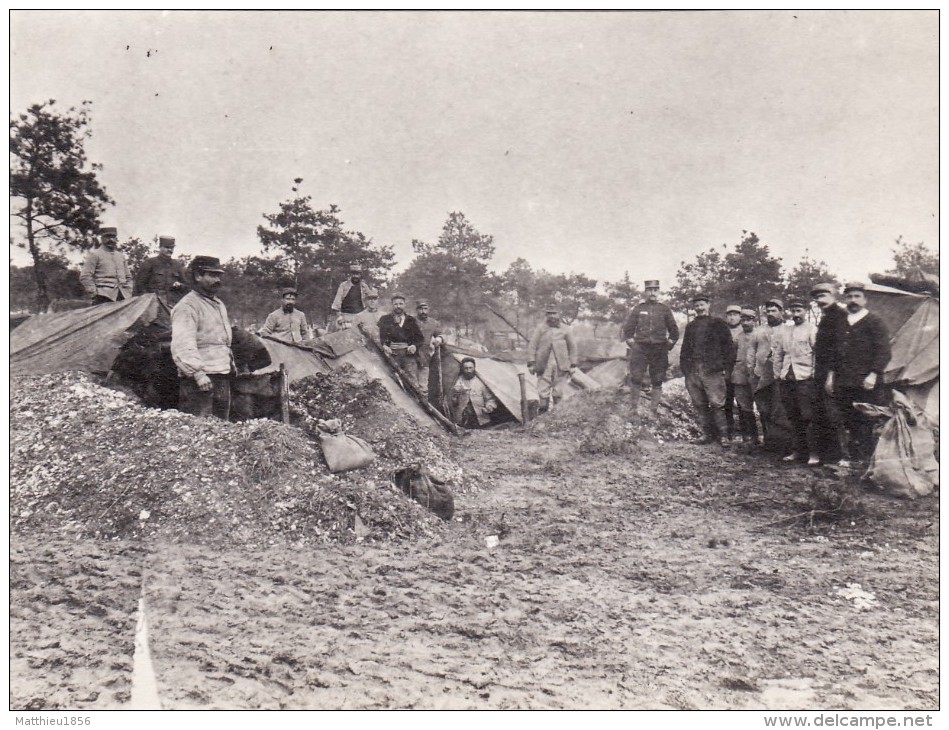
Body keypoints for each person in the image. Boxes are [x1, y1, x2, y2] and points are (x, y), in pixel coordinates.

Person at [827, 282, 891, 465]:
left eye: (857, 296)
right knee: (846, 418)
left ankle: (865, 459)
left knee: (866, 420)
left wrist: (874, 374)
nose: (853, 300)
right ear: (845, 299)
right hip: (843, 381)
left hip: (866, 381)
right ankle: (848, 456)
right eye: (849, 296)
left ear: (865, 300)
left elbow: (884, 351)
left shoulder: (874, 321)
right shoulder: (841, 322)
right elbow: (834, 351)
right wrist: (831, 376)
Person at [170, 256, 234, 420]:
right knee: (198, 431)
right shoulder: (187, 306)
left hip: (221, 374)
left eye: (218, 275)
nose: (217, 280)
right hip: (200, 380)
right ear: (198, 276)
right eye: (212, 275)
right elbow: (182, 345)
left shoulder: (218, 304)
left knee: (223, 430)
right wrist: (198, 374)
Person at [679, 294, 735, 447]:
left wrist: (726, 369)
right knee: (700, 404)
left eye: (702, 304)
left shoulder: (718, 324)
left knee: (717, 403)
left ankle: (724, 436)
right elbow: (684, 350)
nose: (699, 308)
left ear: (708, 305)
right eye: (696, 305)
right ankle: (707, 434)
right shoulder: (690, 326)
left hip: (712, 370)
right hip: (694, 370)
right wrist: (686, 370)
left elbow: (729, 349)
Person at [621, 279, 679, 419]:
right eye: (649, 290)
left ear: (658, 292)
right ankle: (633, 409)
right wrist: (634, 345)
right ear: (645, 292)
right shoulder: (639, 308)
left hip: (659, 349)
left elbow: (674, 331)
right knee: (636, 377)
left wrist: (667, 346)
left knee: (657, 379)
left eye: (655, 290)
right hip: (641, 348)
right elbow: (628, 329)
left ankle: (653, 410)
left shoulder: (664, 309)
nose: (652, 293)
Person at [772, 297, 819, 465]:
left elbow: (816, 355)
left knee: (808, 417)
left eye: (799, 310)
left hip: (804, 379)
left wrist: (812, 375)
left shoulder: (812, 330)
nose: (795, 314)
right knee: (792, 417)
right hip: (787, 379)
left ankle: (813, 453)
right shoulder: (785, 330)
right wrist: (778, 374)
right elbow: (778, 354)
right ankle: (796, 451)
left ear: (806, 311)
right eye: (793, 311)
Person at [811, 281, 848, 465]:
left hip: (834, 374)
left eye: (823, 296)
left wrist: (831, 376)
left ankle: (843, 456)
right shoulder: (826, 318)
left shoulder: (840, 316)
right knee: (823, 414)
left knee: (835, 414)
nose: (820, 300)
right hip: (822, 372)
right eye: (817, 297)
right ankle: (830, 455)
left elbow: (839, 349)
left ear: (834, 295)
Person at [749, 298, 787, 445]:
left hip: (780, 376)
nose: (770, 313)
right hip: (761, 375)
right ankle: (768, 440)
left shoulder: (787, 329)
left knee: (780, 409)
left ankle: (783, 442)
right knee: (763, 408)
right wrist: (752, 370)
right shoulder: (759, 331)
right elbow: (751, 352)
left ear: (781, 312)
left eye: (774, 310)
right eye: (768, 311)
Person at [527, 305, 578, 412]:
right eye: (549, 314)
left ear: (559, 314)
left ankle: (556, 416)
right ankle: (543, 417)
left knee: (558, 390)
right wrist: (531, 363)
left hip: (561, 364)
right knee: (543, 389)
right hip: (544, 364)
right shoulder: (540, 328)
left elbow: (572, 347)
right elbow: (532, 345)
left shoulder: (566, 329)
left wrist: (573, 364)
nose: (552, 316)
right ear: (546, 315)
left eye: (554, 313)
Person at [377, 293, 425, 387]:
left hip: (408, 355)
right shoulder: (385, 319)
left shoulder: (411, 320)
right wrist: (385, 346)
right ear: (392, 305)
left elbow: (420, 338)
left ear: (404, 305)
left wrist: (414, 346)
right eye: (395, 304)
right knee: (391, 382)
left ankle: (414, 401)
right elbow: (381, 337)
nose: (398, 306)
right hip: (391, 355)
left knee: (412, 382)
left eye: (400, 303)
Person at [79, 226, 132, 305]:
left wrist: (129, 289)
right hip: (103, 296)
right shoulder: (95, 255)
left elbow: (128, 277)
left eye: (113, 237)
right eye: (107, 237)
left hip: (123, 296)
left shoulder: (120, 256)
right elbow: (85, 276)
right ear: (102, 238)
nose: (111, 240)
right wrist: (94, 293)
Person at [132, 235, 188, 304]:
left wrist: (180, 285)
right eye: (167, 247)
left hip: (172, 304)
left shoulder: (177, 265)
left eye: (172, 248)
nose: (170, 250)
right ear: (160, 247)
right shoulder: (150, 263)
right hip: (153, 304)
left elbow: (187, 286)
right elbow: (139, 286)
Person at [732, 308, 760, 445]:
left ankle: (767, 438)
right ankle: (747, 437)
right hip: (740, 376)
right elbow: (732, 356)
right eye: (743, 320)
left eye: (748, 320)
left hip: (757, 377)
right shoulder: (738, 337)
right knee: (743, 407)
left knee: (762, 407)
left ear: (754, 321)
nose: (745, 323)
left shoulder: (759, 335)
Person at [450, 357, 498, 428]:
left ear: (474, 368)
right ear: (462, 369)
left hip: (481, 419)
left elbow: (489, 399)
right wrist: (454, 398)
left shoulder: (481, 383)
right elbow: (452, 403)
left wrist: (489, 407)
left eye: (470, 368)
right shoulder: (456, 382)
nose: (468, 370)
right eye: (466, 368)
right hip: (462, 421)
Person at [330, 263, 377, 331]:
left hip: (360, 316)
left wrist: (373, 290)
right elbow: (337, 301)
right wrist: (339, 316)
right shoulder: (344, 285)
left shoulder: (363, 286)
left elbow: (372, 298)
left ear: (360, 275)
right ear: (350, 275)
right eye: (353, 274)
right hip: (346, 316)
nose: (355, 276)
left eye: (357, 274)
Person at [414, 300, 443, 398]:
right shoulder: (410, 321)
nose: (423, 311)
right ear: (417, 310)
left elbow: (440, 334)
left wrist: (439, 338)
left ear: (428, 309)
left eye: (425, 309)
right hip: (411, 358)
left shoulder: (433, 323)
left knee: (423, 388)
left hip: (425, 359)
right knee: (411, 384)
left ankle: (423, 410)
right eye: (420, 309)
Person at [723, 304, 743, 441]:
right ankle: (729, 431)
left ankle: (746, 432)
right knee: (726, 401)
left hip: (741, 368)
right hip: (726, 369)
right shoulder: (722, 330)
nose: (732, 317)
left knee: (742, 402)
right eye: (729, 314)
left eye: (735, 314)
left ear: (740, 316)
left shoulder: (745, 330)